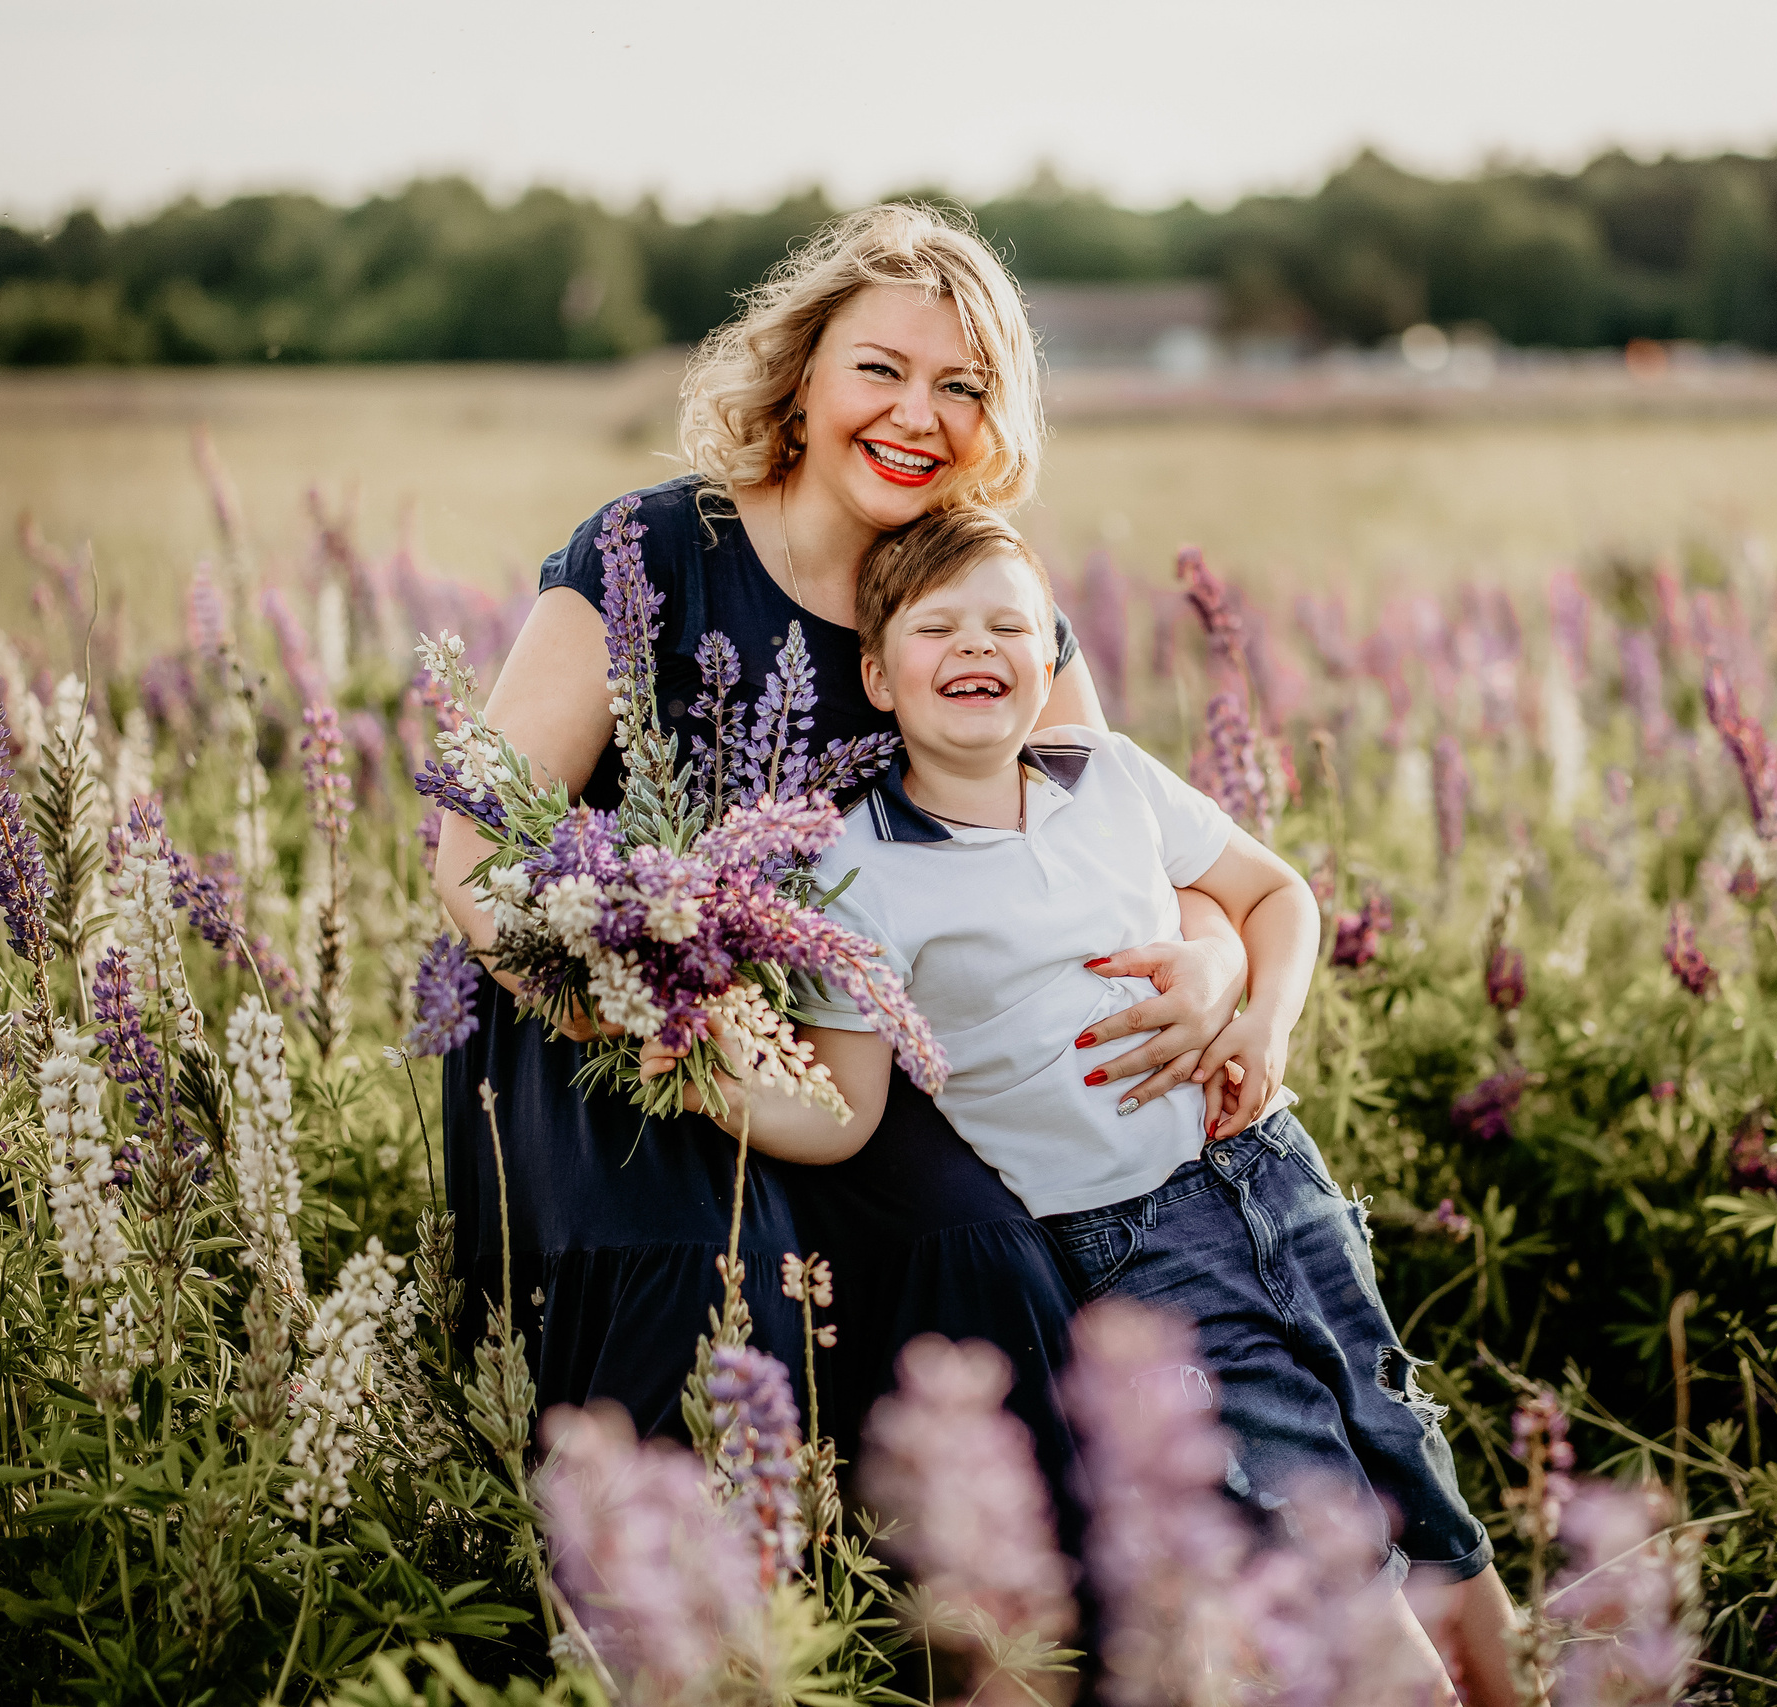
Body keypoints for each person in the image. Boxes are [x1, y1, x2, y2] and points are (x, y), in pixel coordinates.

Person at [430, 204, 1250, 1486]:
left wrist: (1212, 964)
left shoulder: (973, 596)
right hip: (607, 1022)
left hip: (851, 1045)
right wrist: (627, 999)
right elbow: (475, 854)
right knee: (703, 1273)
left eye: (961, 386)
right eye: (881, 369)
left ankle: (971, 1594)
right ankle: (662, 1587)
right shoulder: (651, 552)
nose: (918, 415)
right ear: (802, 376)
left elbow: (1115, 852)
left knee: (986, 1259)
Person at [645, 507, 1520, 1706]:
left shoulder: (1108, 774)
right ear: (876, 675)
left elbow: (1277, 896)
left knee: (1416, 1476)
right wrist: (695, 1065)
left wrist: (1264, 1021)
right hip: (1135, 1247)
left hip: (1276, 1176)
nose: (977, 646)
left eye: (1009, 625)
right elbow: (841, 1112)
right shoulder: (853, 866)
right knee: (1321, 1539)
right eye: (938, 627)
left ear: (1051, 652)